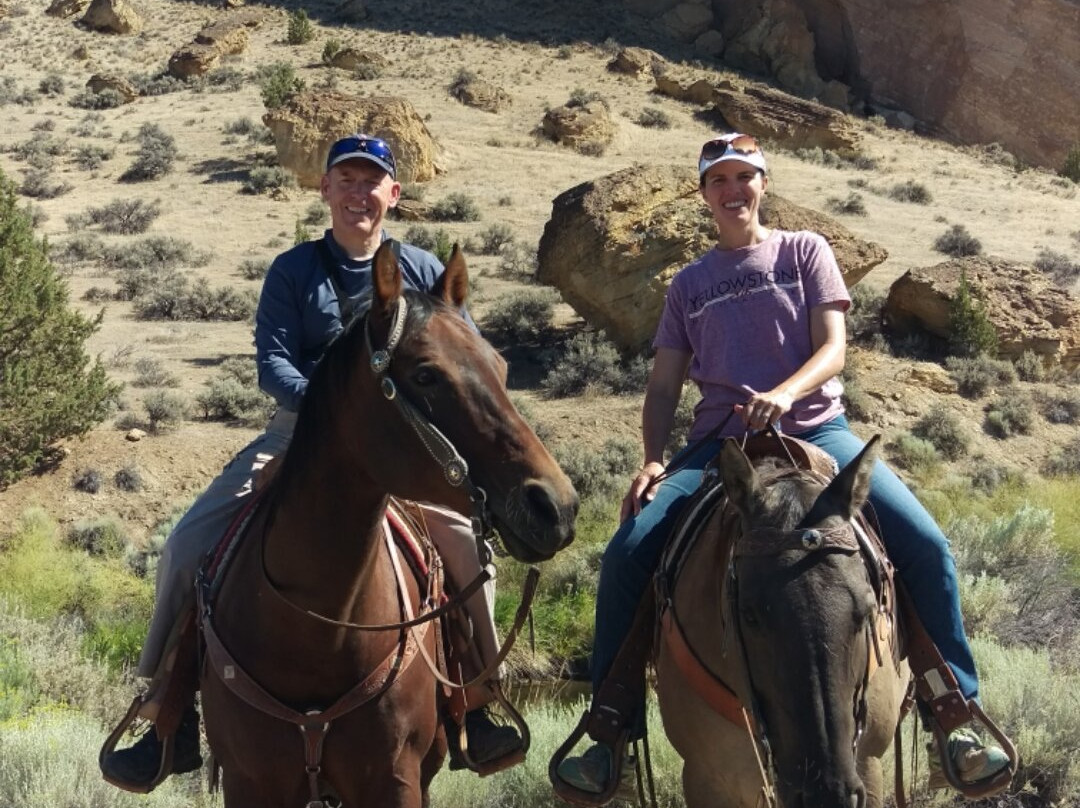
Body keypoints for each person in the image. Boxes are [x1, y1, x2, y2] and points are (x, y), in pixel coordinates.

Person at [555, 133, 1010, 798]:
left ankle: (953, 711)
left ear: (763, 184)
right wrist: (652, 461)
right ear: (704, 194)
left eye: (745, 177)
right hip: (719, 445)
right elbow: (662, 388)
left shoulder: (805, 252)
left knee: (926, 545)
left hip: (817, 428)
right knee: (629, 551)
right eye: (720, 181)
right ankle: (608, 726)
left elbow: (833, 350)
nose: (733, 190)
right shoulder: (690, 285)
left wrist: (786, 393)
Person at [101, 134, 523, 791]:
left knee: (466, 545)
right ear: (324, 190)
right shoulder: (294, 271)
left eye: (372, 181)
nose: (359, 193)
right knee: (186, 545)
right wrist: (329, 417)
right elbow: (272, 362)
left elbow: (464, 362)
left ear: (394, 193)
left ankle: (479, 697)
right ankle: (163, 714)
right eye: (346, 181)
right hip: (296, 434)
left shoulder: (421, 270)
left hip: (401, 443)